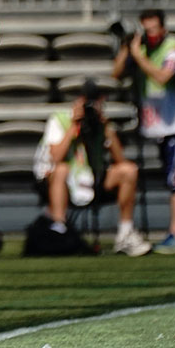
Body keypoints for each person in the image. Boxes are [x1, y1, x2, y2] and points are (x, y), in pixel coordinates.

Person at [113, 9, 175, 254]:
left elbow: (163, 77)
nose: (150, 35)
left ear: (163, 28)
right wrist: (126, 47)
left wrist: (138, 56)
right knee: (173, 175)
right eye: (146, 30)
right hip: (161, 122)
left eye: (153, 29)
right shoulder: (140, 47)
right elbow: (117, 73)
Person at [33, 80, 150, 256]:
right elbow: (55, 157)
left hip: (92, 177)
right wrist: (74, 126)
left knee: (128, 171)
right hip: (58, 180)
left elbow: (120, 159)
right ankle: (60, 230)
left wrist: (106, 129)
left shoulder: (100, 124)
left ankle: (125, 234)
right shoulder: (60, 119)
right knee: (62, 169)